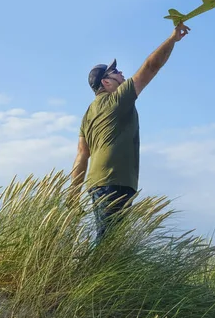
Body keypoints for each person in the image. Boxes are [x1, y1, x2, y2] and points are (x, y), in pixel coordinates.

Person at [69, 22, 190, 243]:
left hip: (98, 183)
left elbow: (81, 155)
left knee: (111, 241)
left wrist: (73, 195)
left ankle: (91, 274)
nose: (121, 73)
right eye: (115, 72)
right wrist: (172, 39)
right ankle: (89, 276)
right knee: (109, 245)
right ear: (106, 82)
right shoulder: (118, 98)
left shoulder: (88, 113)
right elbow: (151, 67)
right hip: (114, 181)